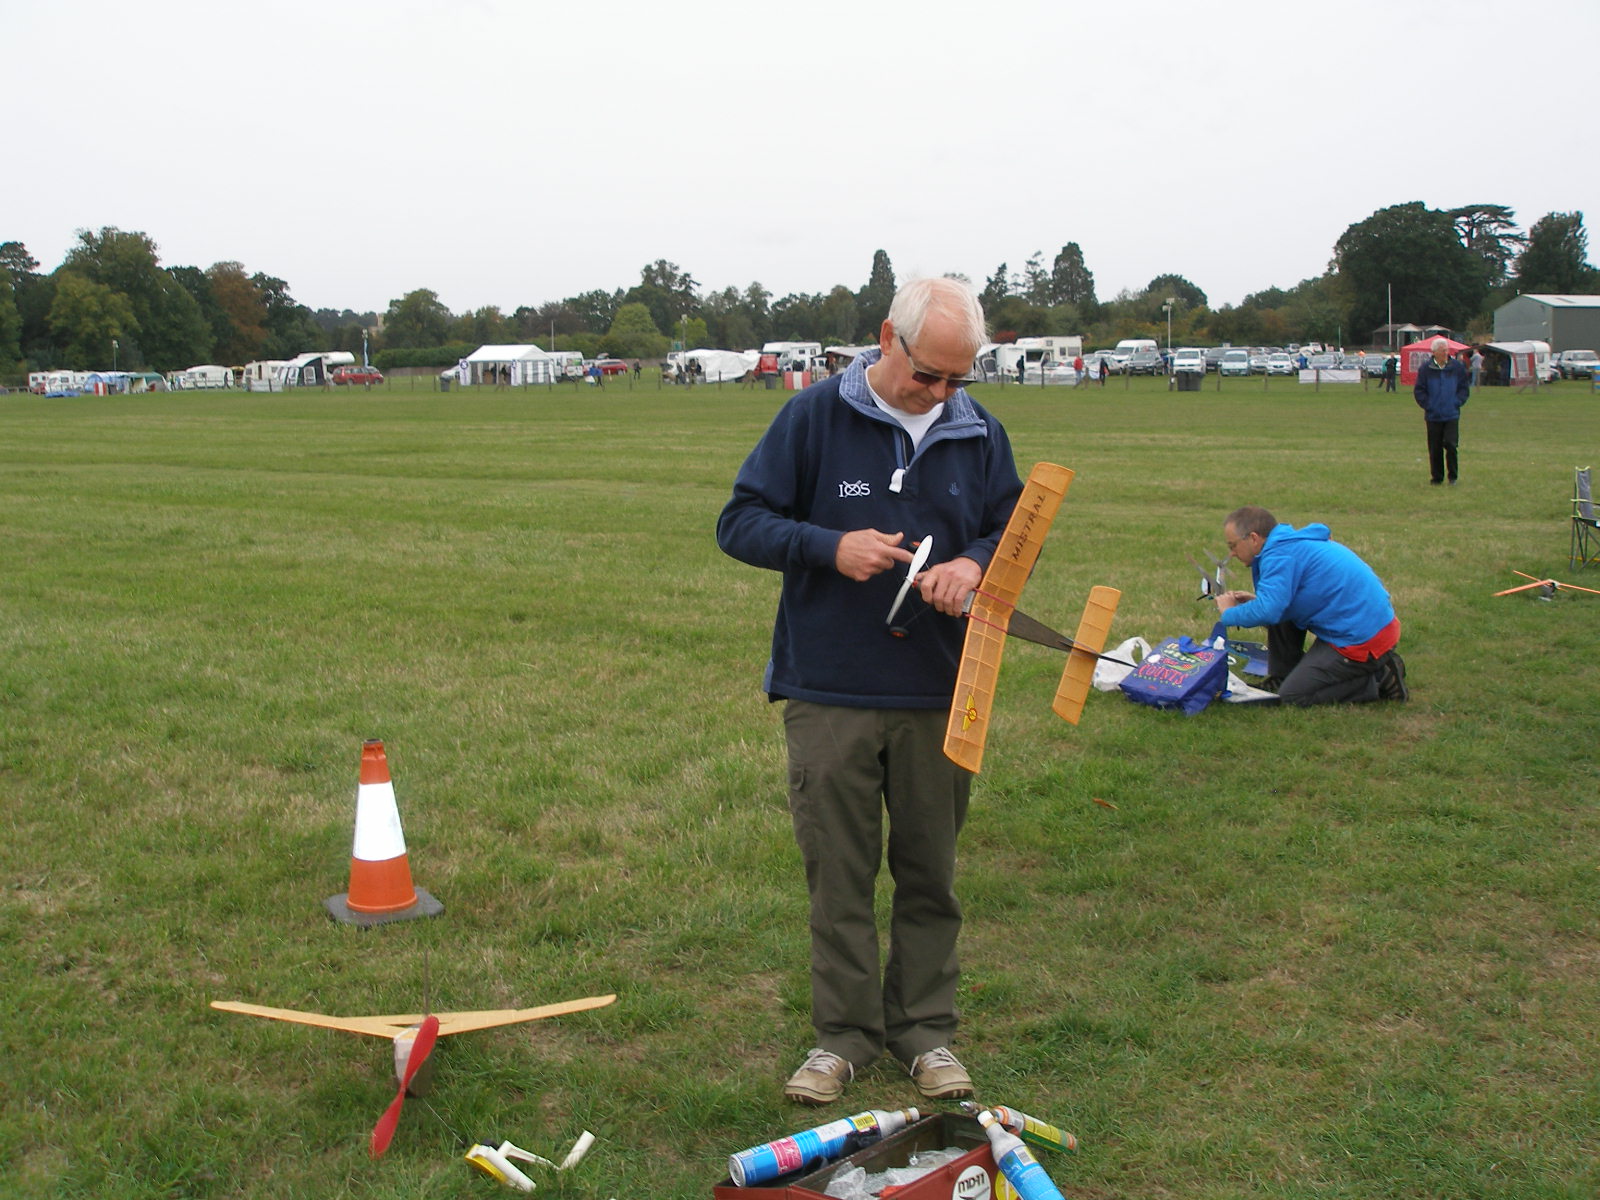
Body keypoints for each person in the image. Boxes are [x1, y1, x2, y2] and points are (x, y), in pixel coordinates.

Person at [717, 276, 1022, 1107]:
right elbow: (739, 522)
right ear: (888, 338)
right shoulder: (812, 417)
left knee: (930, 874)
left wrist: (974, 565)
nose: (942, 393)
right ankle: (844, 1039)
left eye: (959, 378)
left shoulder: (979, 432)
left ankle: (924, 1033)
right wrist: (829, 547)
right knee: (840, 876)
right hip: (830, 690)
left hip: (939, 691)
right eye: (928, 374)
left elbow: (1011, 529)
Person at [1214, 505, 1407, 706]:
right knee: (1280, 615)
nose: (1232, 553)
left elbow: (1269, 610)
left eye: (1233, 546)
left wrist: (1229, 612)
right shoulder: (1287, 546)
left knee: (1293, 696)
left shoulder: (1279, 555)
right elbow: (1278, 604)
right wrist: (1257, 602)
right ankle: (1282, 675)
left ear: (1253, 538)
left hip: (1362, 640)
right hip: (1362, 626)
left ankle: (1379, 678)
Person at [1414, 337, 1469, 485]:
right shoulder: (1426, 369)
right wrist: (1428, 405)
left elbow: (1464, 388)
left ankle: (1453, 477)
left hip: (1451, 414)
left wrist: (1457, 402)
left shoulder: (1457, 367)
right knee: (1435, 448)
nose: (1445, 353)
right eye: (1442, 351)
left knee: (1451, 444)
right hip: (1433, 415)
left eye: (1446, 350)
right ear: (1434, 352)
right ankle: (1437, 477)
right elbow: (1419, 390)